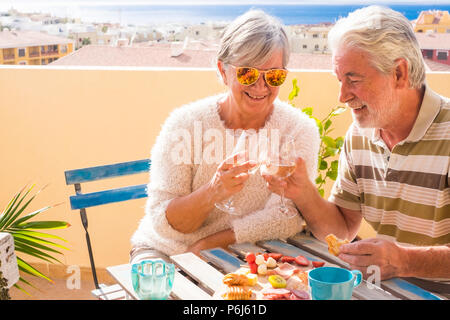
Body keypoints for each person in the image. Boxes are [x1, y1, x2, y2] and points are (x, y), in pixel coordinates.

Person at [264, 5, 450, 286]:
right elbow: (343, 229)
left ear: (400, 73)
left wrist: (404, 261)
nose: (342, 96)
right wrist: (303, 193)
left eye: (353, 79)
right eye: (340, 80)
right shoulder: (360, 135)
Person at [130, 9, 320, 264]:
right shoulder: (185, 124)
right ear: (223, 70)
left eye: (274, 76)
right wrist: (213, 192)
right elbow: (163, 222)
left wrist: (209, 244)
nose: (261, 86)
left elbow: (285, 217)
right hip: (166, 250)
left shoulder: (298, 130)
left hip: (245, 250)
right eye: (248, 74)